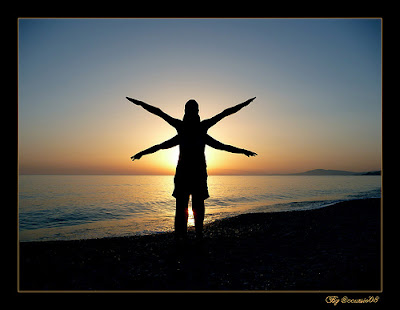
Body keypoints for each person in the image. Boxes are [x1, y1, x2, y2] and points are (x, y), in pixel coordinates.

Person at [127, 97, 257, 239]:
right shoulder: (191, 128)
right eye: (191, 110)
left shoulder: (194, 128)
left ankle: (194, 236)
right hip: (190, 174)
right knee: (187, 207)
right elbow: (160, 122)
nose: (191, 113)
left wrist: (243, 150)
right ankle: (187, 237)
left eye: (192, 110)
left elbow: (224, 123)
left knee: (194, 207)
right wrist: (142, 152)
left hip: (194, 175)